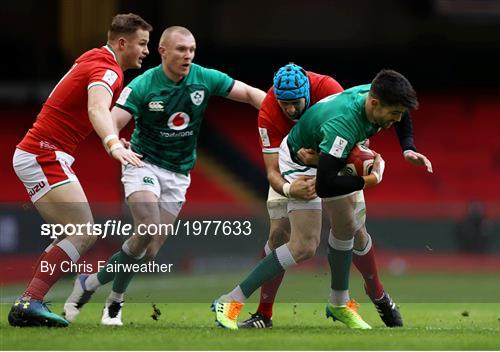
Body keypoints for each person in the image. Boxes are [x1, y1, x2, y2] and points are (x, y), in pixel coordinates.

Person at [63, 26, 266, 326]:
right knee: (146, 229)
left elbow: (248, 93)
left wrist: (278, 114)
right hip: (143, 163)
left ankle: (89, 282)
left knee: (150, 251)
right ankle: (115, 303)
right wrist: (116, 141)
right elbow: (113, 120)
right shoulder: (145, 84)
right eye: (181, 50)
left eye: (192, 50)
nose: (188, 56)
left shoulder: (204, 77)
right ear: (163, 51)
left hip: (179, 172)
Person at [213, 69, 421, 330]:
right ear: (375, 104)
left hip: (327, 153)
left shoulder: (374, 92)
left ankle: (339, 303)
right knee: (304, 245)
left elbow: (398, 113)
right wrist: (369, 180)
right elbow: (325, 184)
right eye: (394, 114)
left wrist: (408, 147)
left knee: (348, 226)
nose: (397, 119)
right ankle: (231, 300)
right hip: (298, 163)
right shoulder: (343, 125)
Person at [8, 13, 152, 328]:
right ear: (122, 42)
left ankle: (30, 301)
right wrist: (113, 144)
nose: (146, 51)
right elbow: (96, 108)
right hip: (44, 153)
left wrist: (116, 138)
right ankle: (30, 301)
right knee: (84, 230)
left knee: (70, 232)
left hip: (37, 152)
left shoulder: (94, 57)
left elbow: (94, 110)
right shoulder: (108, 69)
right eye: (142, 44)